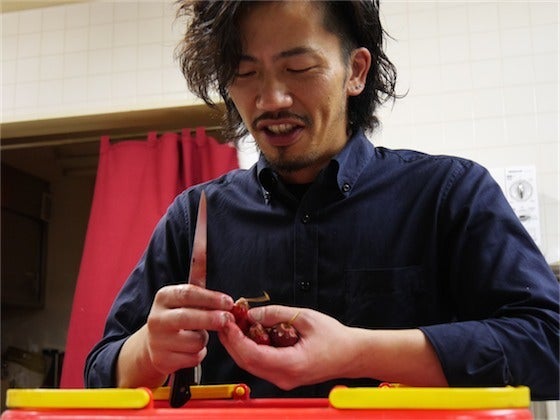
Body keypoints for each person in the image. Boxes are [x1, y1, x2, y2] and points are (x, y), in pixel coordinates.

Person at [85, 0, 559, 400]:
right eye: (245, 73)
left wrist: (358, 351)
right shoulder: (194, 218)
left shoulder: (448, 194)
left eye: (298, 68)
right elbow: (101, 372)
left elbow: (548, 342)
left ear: (356, 71)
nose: (271, 100)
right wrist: (149, 351)